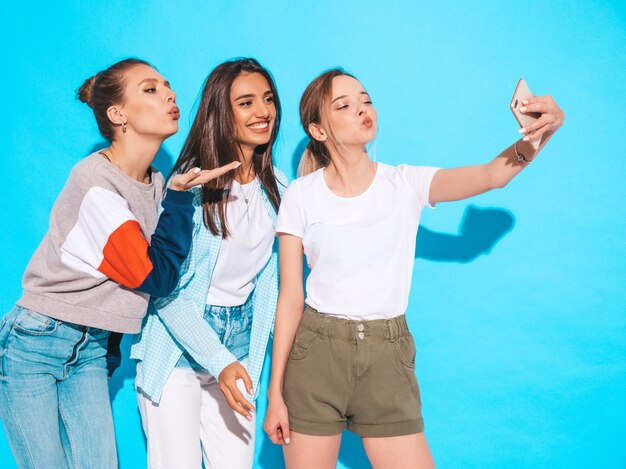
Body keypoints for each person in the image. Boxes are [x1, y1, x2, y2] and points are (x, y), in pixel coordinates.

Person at [264, 69, 564, 468]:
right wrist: (275, 394)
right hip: (316, 354)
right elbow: (290, 297)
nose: (362, 109)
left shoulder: (403, 183)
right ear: (318, 130)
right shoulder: (301, 195)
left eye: (365, 100)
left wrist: (541, 133)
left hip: (387, 355)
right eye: (345, 105)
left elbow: (492, 175)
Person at [0, 58, 239, 469]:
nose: (170, 94)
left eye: (168, 86)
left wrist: (176, 193)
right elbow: (155, 277)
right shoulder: (94, 182)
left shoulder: (158, 185)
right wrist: (179, 200)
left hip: (92, 348)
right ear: (117, 114)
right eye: (150, 89)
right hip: (35, 344)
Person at [131, 57, 286, 469]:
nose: (263, 112)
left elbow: (275, 288)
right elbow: (166, 296)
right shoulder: (189, 186)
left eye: (268, 100)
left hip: (240, 347)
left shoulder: (282, 192)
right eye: (246, 103)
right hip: (177, 347)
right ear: (222, 112)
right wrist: (220, 362)